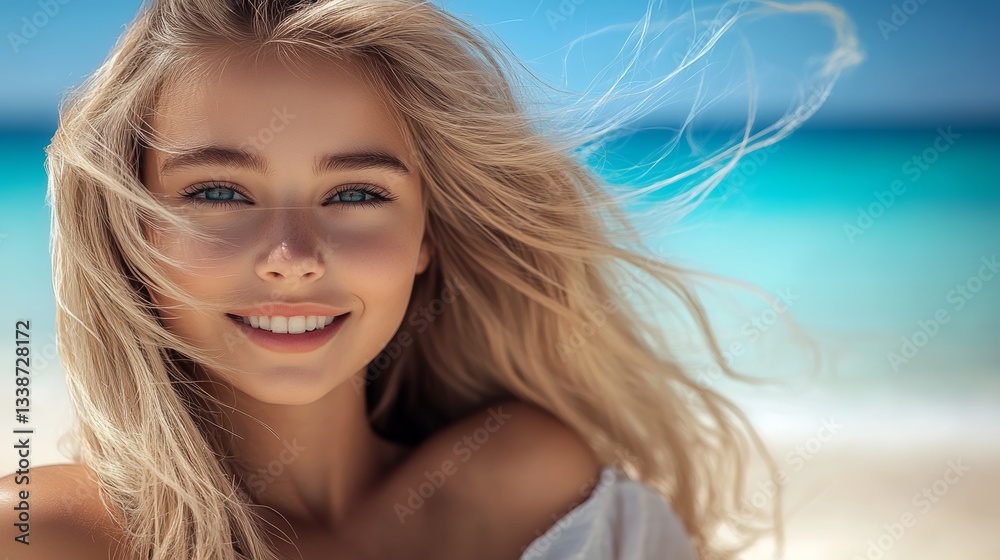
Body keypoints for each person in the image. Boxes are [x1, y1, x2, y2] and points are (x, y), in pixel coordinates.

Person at [0, 0, 860, 558]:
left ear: (425, 235)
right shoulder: (39, 534)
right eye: (219, 191)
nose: (292, 253)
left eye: (358, 193)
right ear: (129, 226)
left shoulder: (534, 492)